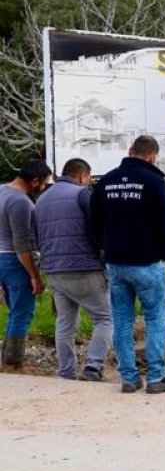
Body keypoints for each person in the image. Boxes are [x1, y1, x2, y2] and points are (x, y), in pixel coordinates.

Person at [90, 135, 165, 394]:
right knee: (155, 318)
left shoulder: (105, 181)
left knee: (121, 320)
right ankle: (157, 377)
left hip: (116, 262)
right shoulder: (154, 182)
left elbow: (94, 222)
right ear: (152, 157)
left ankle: (129, 378)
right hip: (146, 261)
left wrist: (105, 247)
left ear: (129, 151)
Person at [34, 158, 113, 381]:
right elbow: (97, 230)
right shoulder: (83, 194)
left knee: (65, 323)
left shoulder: (41, 199)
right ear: (83, 176)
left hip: (54, 271)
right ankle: (93, 366)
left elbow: (38, 237)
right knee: (105, 318)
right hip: (86, 267)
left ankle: (66, 372)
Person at [0, 158, 51, 371]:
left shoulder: (2, 190)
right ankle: (12, 361)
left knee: (14, 310)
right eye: (44, 184)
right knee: (22, 311)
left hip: (1, 258)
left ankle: (6, 356)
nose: (44, 188)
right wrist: (34, 276)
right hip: (15, 260)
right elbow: (21, 244)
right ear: (34, 181)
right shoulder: (20, 202)